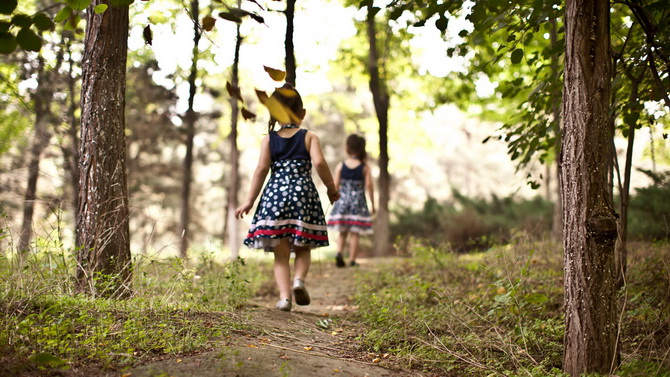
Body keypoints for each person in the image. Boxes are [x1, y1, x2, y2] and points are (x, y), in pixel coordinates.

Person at [235, 83, 340, 312]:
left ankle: (284, 298)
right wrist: (331, 188)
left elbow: (261, 170)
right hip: (303, 196)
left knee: (280, 254)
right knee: (303, 247)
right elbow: (320, 163)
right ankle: (299, 281)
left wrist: (249, 201)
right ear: (302, 113)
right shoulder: (309, 137)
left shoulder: (269, 140)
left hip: (275, 197)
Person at [327, 134, 375, 267]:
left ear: (347, 148)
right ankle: (352, 260)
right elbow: (369, 186)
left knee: (342, 232)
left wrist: (333, 197)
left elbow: (335, 184)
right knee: (355, 233)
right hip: (358, 203)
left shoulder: (341, 166)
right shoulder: (364, 167)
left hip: (343, 201)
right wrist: (373, 204)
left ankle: (339, 253)